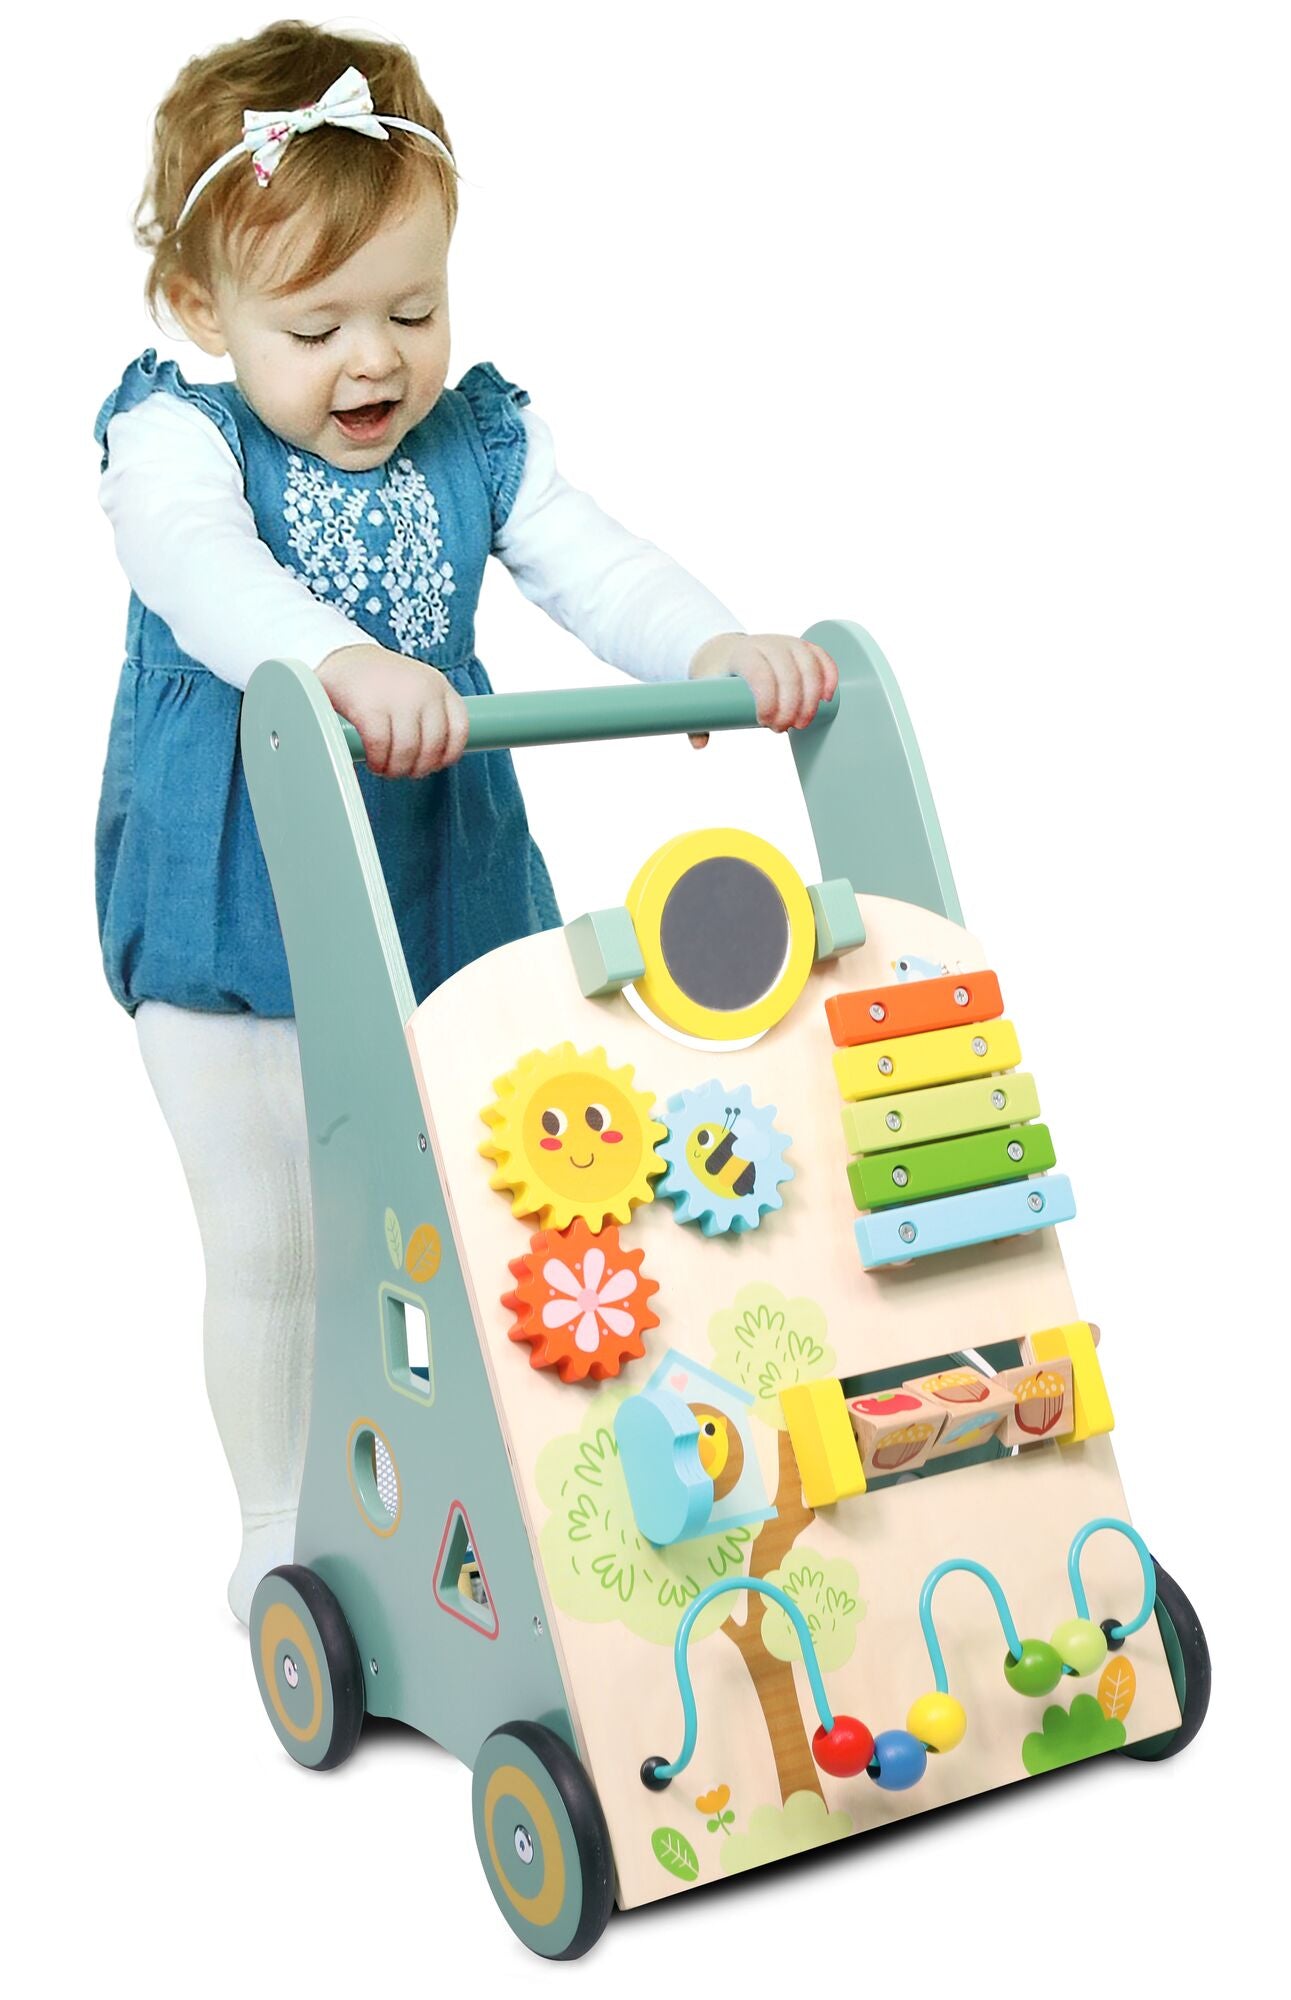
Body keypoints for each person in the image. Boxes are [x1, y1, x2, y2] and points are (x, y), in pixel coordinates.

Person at [95, 18, 838, 1623]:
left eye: (413, 311)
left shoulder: (475, 442)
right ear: (200, 309)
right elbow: (205, 578)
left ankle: (514, 1475)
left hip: (441, 879)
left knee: (499, 1194)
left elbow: (597, 561)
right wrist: (344, 660)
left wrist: (710, 645)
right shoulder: (173, 440)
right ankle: (283, 1527)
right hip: (245, 895)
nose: (377, 362)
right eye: (320, 325)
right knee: (280, 1225)